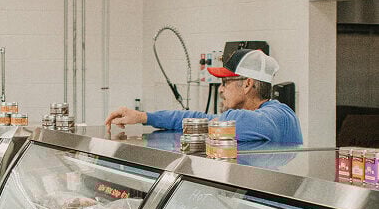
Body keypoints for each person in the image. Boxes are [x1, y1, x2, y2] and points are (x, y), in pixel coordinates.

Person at [105, 49, 303, 143]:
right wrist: (144, 117)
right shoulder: (271, 114)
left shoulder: (275, 116)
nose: (220, 89)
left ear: (248, 84)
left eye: (226, 83)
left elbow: (218, 122)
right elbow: (202, 119)